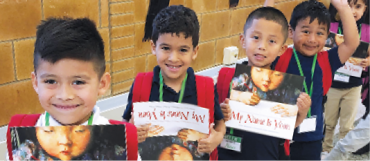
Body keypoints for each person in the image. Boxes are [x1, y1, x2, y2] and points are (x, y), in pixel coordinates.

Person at [6, 17, 137, 161]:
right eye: (50, 81)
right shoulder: (20, 140)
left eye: (78, 82)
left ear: (102, 84)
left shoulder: (124, 141)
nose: (65, 95)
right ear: (36, 83)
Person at [122, 5, 226, 159]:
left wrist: (217, 138)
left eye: (183, 50)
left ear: (194, 51)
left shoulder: (206, 87)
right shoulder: (141, 85)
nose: (173, 58)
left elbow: (219, 122)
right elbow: (125, 122)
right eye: (165, 48)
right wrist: (130, 131)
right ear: (153, 47)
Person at [266, 0, 360, 160]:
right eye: (306, 31)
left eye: (320, 33)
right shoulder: (280, 56)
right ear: (291, 31)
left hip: (311, 138)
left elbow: (351, 43)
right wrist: (268, 3)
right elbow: (265, 36)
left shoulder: (327, 60)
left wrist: (343, 7)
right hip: (277, 134)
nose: (312, 39)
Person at [217, 6, 311, 161]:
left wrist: (301, 114)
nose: (262, 46)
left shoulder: (285, 87)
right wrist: (220, 114)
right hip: (229, 154)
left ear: (282, 49)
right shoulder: (227, 78)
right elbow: (212, 119)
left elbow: (285, 129)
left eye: (272, 41)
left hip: (269, 155)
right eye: (255, 37)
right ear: (243, 40)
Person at [322, 0, 370, 159]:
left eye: (358, 6)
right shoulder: (332, 28)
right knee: (329, 124)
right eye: (348, 5)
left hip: (354, 87)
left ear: (365, 9)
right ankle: (326, 151)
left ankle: (340, 156)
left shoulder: (367, 30)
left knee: (347, 126)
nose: (352, 11)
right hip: (333, 85)